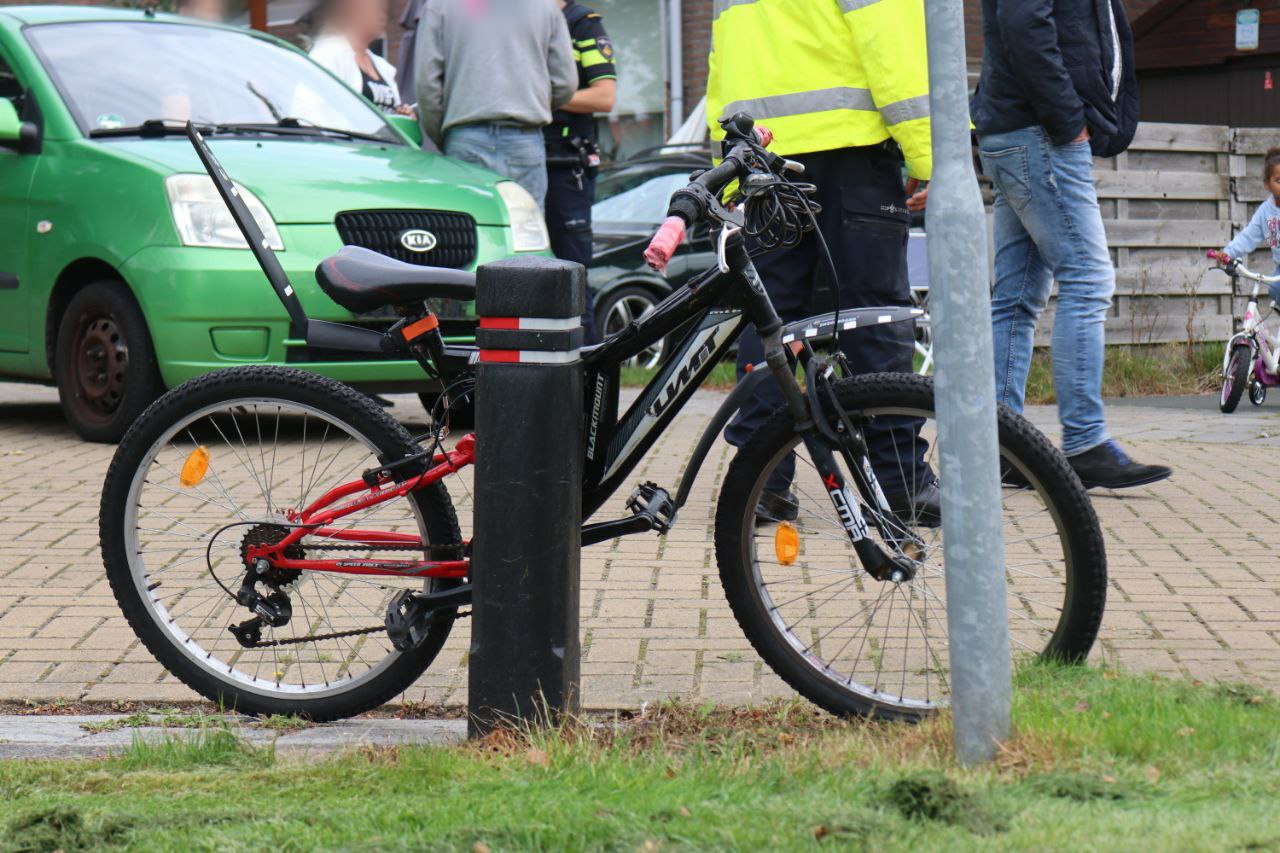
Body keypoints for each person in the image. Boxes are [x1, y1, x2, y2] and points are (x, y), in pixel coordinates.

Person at [709, 0, 936, 523]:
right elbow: (890, 39)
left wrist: (726, 163)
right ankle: (898, 483)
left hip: (762, 155)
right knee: (873, 315)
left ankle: (760, 483)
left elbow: (723, 60)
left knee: (770, 319)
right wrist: (929, 152)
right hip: (852, 151)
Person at [972, 0, 1171, 489]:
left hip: (1016, 128)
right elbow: (1024, 22)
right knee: (1088, 278)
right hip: (1040, 133)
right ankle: (1085, 444)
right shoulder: (1051, 124)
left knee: (1016, 298)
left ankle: (1002, 446)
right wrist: (1068, 122)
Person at [415, 0, 577, 208]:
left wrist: (443, 134)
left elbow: (426, 84)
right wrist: (531, 104)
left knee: (471, 223)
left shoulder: (439, 5)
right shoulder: (546, 6)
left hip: (464, 136)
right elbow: (566, 82)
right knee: (525, 225)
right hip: (524, 138)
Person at [545, 1, 618, 342]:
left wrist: (538, 96)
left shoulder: (581, 24)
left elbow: (604, 97)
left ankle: (586, 364)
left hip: (566, 167)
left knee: (571, 272)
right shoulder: (521, 21)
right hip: (528, 159)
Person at [309, 0, 412, 116]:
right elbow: (313, 108)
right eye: (374, 9)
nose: (382, 15)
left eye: (383, 10)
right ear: (351, 10)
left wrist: (403, 115)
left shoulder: (384, 67)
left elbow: (392, 115)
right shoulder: (327, 53)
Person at [1221, 148, 1280, 302]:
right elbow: (1247, 237)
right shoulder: (1265, 212)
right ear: (1267, 184)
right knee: (1275, 291)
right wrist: (1228, 253)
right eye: (1279, 181)